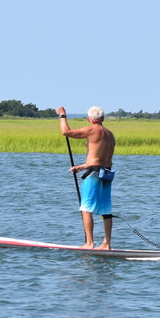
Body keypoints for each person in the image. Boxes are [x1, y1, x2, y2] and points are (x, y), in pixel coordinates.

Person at [58, 105, 117, 249]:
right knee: (106, 211)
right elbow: (100, 159)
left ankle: (89, 243)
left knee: (86, 208)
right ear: (102, 118)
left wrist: (62, 115)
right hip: (106, 174)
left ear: (90, 119)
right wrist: (82, 166)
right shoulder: (110, 135)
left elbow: (66, 132)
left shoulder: (91, 130)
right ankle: (106, 243)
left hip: (94, 175)